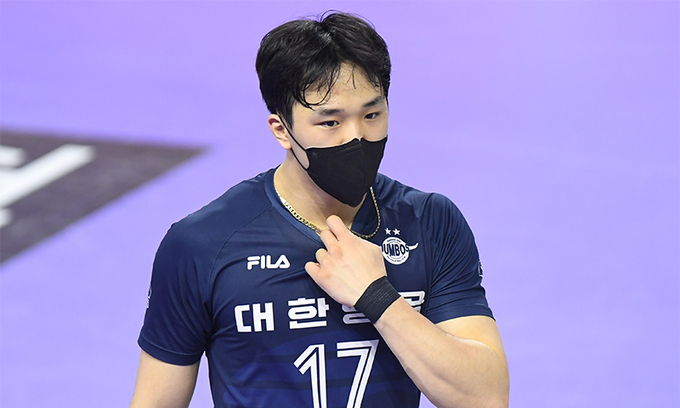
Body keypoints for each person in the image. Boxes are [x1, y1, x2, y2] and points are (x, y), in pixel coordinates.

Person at [130, 11, 509, 408]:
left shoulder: (430, 222)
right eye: (330, 123)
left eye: (372, 115)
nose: (356, 137)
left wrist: (377, 298)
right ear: (282, 130)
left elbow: (485, 398)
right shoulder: (202, 246)